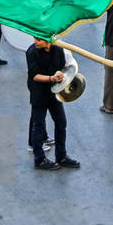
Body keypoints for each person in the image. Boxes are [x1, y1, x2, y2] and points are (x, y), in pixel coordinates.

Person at [26, 37, 80, 170]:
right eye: (35, 39)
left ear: (48, 40)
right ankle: (39, 159)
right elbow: (35, 75)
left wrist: (61, 73)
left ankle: (61, 156)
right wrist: (52, 78)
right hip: (39, 92)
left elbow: (63, 66)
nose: (35, 42)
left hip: (54, 91)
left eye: (39, 39)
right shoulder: (31, 52)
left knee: (61, 122)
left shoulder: (58, 49)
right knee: (38, 125)